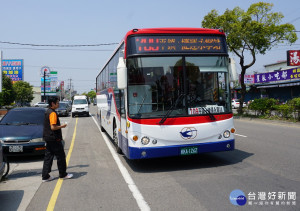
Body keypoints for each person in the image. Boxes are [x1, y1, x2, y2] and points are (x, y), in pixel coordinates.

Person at [42, 96, 73, 182]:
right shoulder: (52, 113)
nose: (58, 104)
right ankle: (63, 174)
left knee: (48, 157)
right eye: (57, 103)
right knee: (61, 157)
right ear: (53, 104)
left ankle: (45, 176)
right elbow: (53, 127)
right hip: (54, 138)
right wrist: (62, 126)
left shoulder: (47, 111)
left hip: (48, 138)